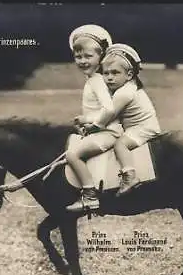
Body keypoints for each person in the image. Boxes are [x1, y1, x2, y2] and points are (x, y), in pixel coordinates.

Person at [64, 25, 137, 213]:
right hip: (102, 130)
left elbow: (109, 108)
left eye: (88, 56)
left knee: (72, 154)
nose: (82, 61)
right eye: (78, 57)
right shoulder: (93, 79)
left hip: (108, 132)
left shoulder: (96, 80)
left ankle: (89, 195)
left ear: (101, 57)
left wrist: (91, 122)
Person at [97, 43, 162, 197]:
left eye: (115, 73)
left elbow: (106, 117)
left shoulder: (124, 93)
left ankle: (130, 176)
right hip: (138, 126)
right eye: (106, 73)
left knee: (120, 145)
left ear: (129, 74)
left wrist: (91, 126)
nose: (110, 77)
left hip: (143, 128)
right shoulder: (127, 87)